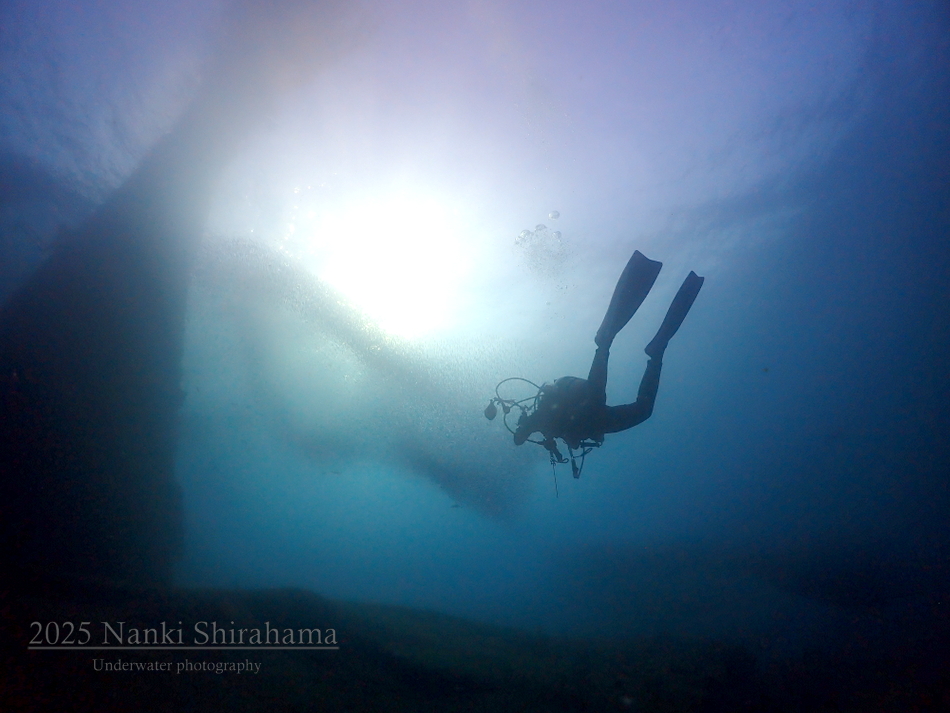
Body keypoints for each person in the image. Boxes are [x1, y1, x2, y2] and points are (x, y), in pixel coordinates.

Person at [511, 250, 704, 471]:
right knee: (644, 411)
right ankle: (656, 353)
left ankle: (605, 341)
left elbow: (521, 435)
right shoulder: (566, 429)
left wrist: (524, 431)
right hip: (594, 417)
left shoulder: (543, 418)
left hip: (579, 399)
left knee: (594, 394)